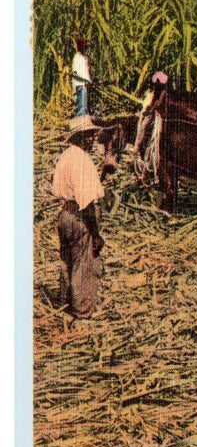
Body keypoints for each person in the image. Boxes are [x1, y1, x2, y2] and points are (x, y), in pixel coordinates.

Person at [51, 116, 106, 318]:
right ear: (79, 137)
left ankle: (65, 302)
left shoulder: (65, 156)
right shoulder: (81, 160)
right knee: (83, 263)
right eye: (89, 136)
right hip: (79, 217)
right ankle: (82, 311)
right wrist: (96, 234)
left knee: (67, 261)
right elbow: (87, 202)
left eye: (92, 135)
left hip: (64, 214)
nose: (92, 140)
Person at [71, 38, 92, 116]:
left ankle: (85, 120)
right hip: (80, 84)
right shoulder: (77, 58)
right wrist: (84, 80)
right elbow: (74, 73)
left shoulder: (84, 58)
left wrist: (89, 81)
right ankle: (81, 120)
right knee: (82, 105)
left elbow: (86, 72)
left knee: (86, 104)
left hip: (85, 84)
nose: (85, 49)